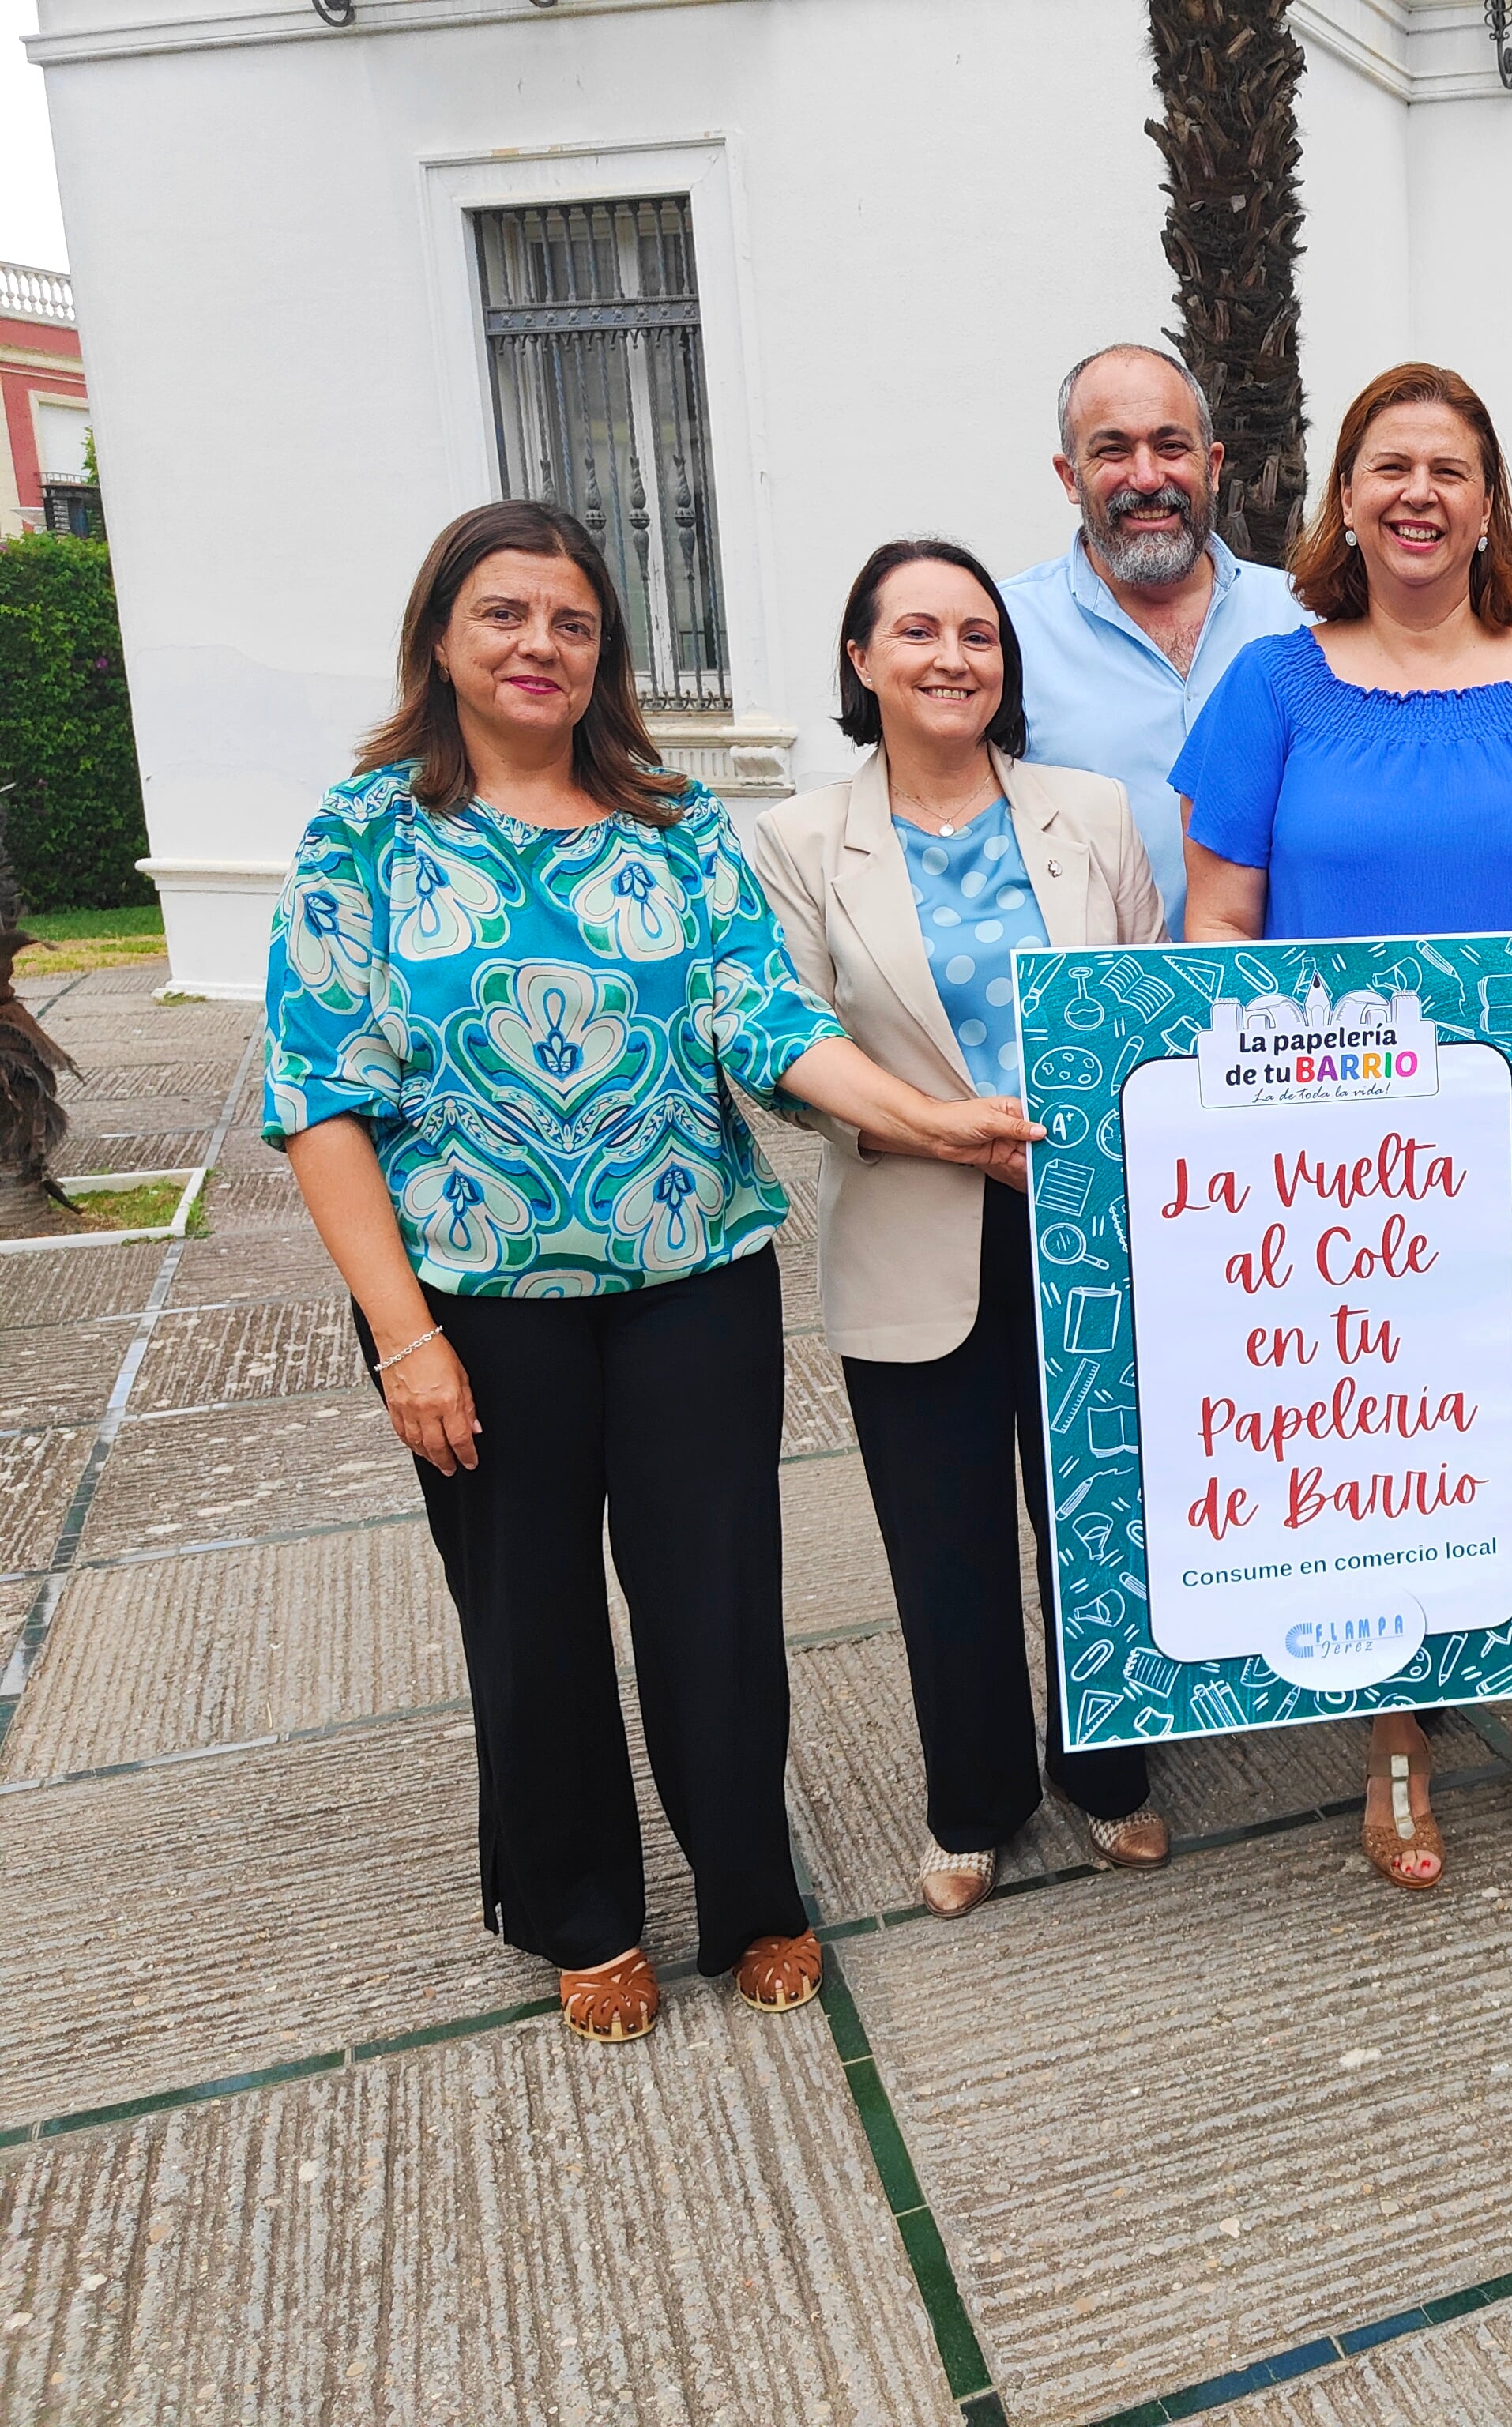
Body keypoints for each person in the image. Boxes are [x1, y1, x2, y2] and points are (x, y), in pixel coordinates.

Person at [264, 502, 1039, 2045]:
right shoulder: (365, 832)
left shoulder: (676, 825)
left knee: (717, 1611)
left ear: (603, 651)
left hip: (693, 1284)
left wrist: (932, 1124)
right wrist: (403, 1337)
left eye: (568, 620)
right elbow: (317, 1095)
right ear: (441, 638)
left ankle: (751, 1892)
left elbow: (768, 1021)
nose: (538, 644)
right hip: (476, 1311)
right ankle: (584, 1913)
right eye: (503, 615)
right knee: (529, 1617)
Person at [1175, 362, 1512, 1893]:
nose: (1416, 492)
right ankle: (1392, 1724)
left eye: (1447, 468)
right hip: (1329, 1159)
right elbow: (1216, 919)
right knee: (1371, 1426)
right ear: (1344, 497)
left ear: (1485, 503)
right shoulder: (1270, 688)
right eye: (1387, 465)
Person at [749, 540, 1172, 1921]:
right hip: (910, 1223)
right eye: (917, 631)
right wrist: (934, 1130)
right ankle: (973, 1802)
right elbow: (786, 1052)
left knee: (1101, 1518)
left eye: (979, 633)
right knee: (945, 1543)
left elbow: (1149, 1012)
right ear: (861, 662)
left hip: (1088, 1226)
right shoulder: (800, 842)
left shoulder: (1091, 811)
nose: (952, 657)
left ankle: (1110, 1781)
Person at [1004, 344, 1312, 931]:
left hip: (1289, 1009)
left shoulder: (1308, 618)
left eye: (1171, 447)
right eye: (1112, 451)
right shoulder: (1002, 636)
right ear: (1070, 477)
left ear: (1213, 466)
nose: (1146, 478)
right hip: (1097, 1005)